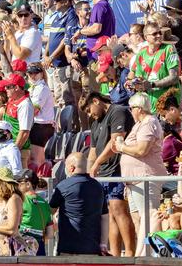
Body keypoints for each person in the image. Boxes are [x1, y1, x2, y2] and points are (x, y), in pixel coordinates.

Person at [113, 92, 166, 256]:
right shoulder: (139, 124)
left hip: (146, 177)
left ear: (139, 108)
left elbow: (142, 150)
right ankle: (143, 253)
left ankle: (148, 254)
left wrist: (122, 147)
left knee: (149, 217)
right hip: (134, 180)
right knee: (138, 218)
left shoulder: (149, 123)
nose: (130, 111)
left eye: (131, 108)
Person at [83, 91, 135, 256]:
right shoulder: (95, 123)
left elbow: (116, 141)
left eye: (89, 110)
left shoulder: (118, 111)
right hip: (102, 174)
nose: (90, 115)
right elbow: (92, 151)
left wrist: (97, 163)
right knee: (110, 213)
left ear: (96, 101)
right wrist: (86, 173)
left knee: (118, 209)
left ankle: (130, 253)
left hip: (118, 169)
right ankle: (115, 255)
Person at [49, 152, 108, 255]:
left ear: (71, 168)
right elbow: (105, 217)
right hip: (92, 249)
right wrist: (103, 244)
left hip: (67, 249)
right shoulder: (98, 187)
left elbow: (50, 211)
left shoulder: (63, 186)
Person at [15, 168, 53, 256]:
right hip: (40, 247)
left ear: (28, 184)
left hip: (23, 245)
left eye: (19, 183)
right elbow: (50, 234)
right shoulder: (45, 203)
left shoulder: (20, 200)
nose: (17, 186)